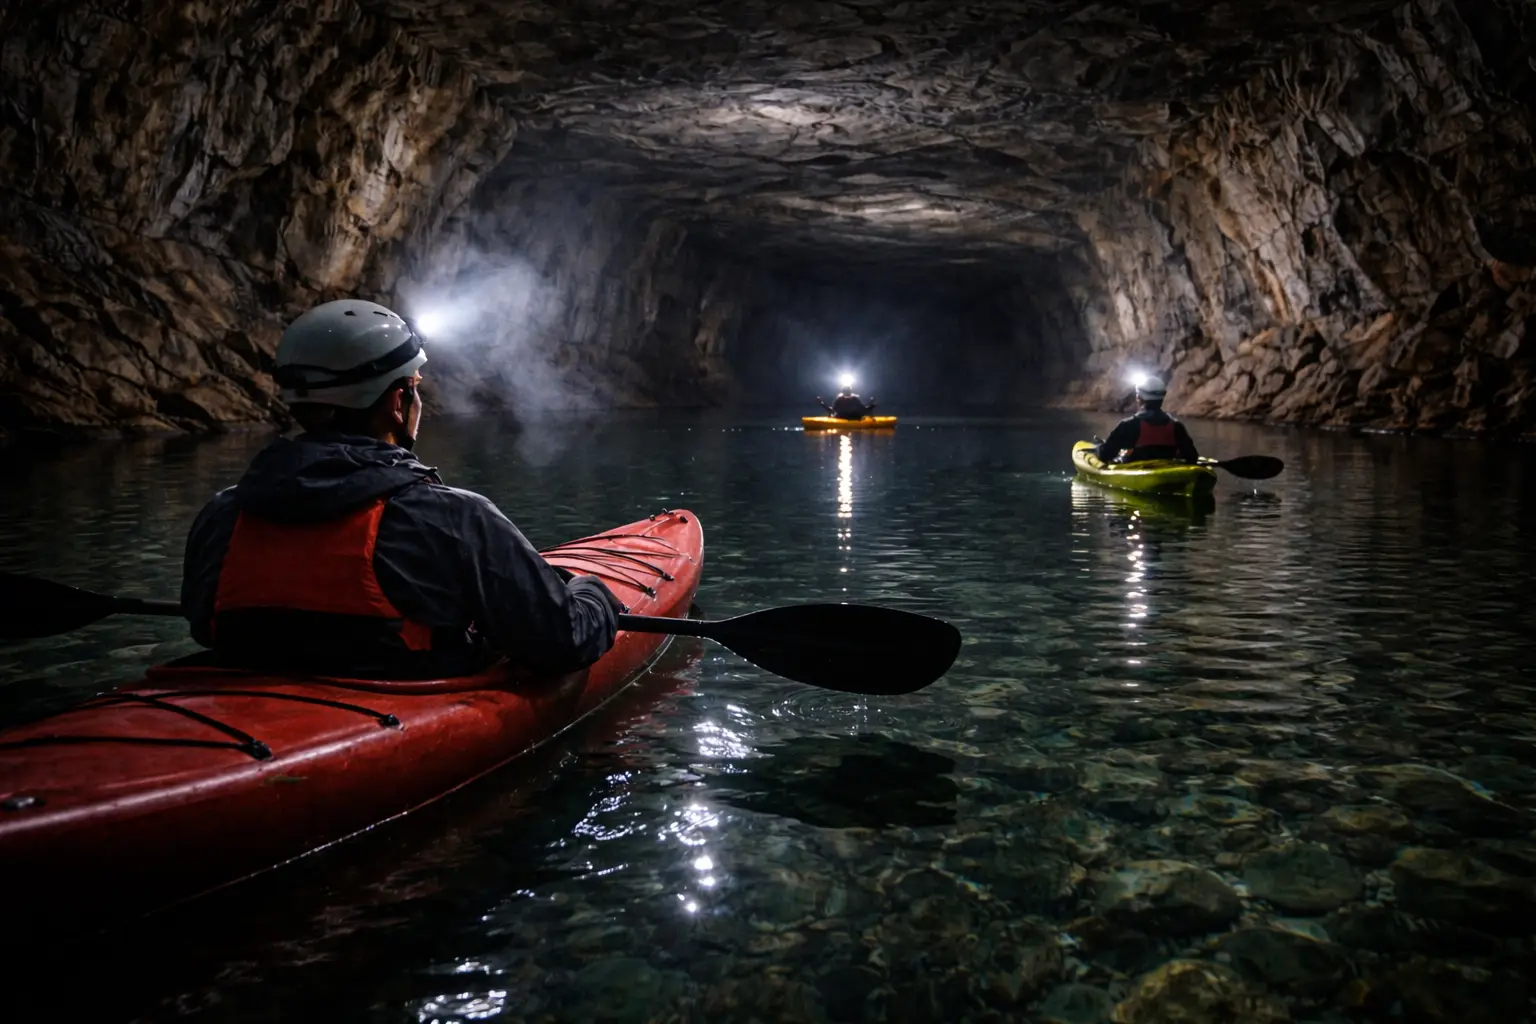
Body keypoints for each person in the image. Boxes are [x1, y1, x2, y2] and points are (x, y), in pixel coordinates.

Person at [181, 299, 625, 679]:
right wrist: (594, 592)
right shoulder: (453, 518)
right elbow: (564, 641)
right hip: (396, 699)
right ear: (398, 404)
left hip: (251, 695)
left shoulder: (224, 512)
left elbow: (206, 625)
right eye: (414, 390)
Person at [1096, 375, 1199, 464]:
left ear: (1139, 398)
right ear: (1162, 398)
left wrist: (1099, 448)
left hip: (1135, 472)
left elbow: (1105, 455)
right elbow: (1192, 457)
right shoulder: (1176, 426)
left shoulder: (1128, 426)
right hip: (1167, 471)